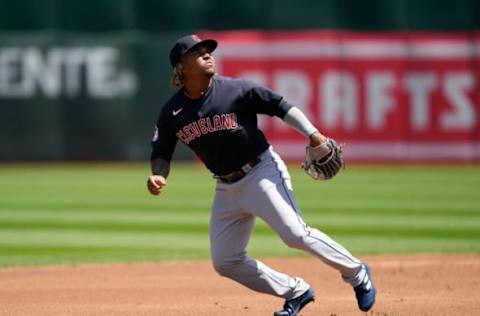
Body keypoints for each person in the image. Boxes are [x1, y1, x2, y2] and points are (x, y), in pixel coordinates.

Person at [147, 34, 376, 316]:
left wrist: (313, 134)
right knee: (225, 261)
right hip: (225, 187)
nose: (208, 55)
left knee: (295, 234)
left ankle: (356, 272)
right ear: (181, 67)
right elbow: (161, 150)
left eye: (208, 51)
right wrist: (159, 175)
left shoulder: (235, 89)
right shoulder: (172, 112)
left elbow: (279, 105)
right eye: (198, 52)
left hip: (261, 172)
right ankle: (296, 291)